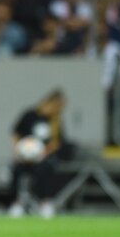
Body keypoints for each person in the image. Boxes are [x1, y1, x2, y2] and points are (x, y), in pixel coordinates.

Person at [8, 89, 75, 219]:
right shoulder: (29, 115)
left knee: (45, 171)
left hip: (43, 158)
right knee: (16, 170)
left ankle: (45, 203)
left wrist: (43, 152)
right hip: (24, 158)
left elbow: (57, 142)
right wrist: (18, 151)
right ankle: (16, 204)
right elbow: (15, 134)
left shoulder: (55, 121)